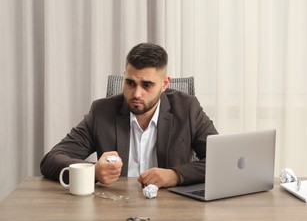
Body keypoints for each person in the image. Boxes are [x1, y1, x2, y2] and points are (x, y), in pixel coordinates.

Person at [40, 43, 218, 188]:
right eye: (130, 83)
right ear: (124, 76)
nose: (136, 94)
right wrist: (93, 172)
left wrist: (175, 175)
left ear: (164, 84)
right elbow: (51, 159)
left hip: (171, 210)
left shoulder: (187, 108)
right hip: (115, 207)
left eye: (147, 85)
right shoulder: (102, 112)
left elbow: (220, 161)